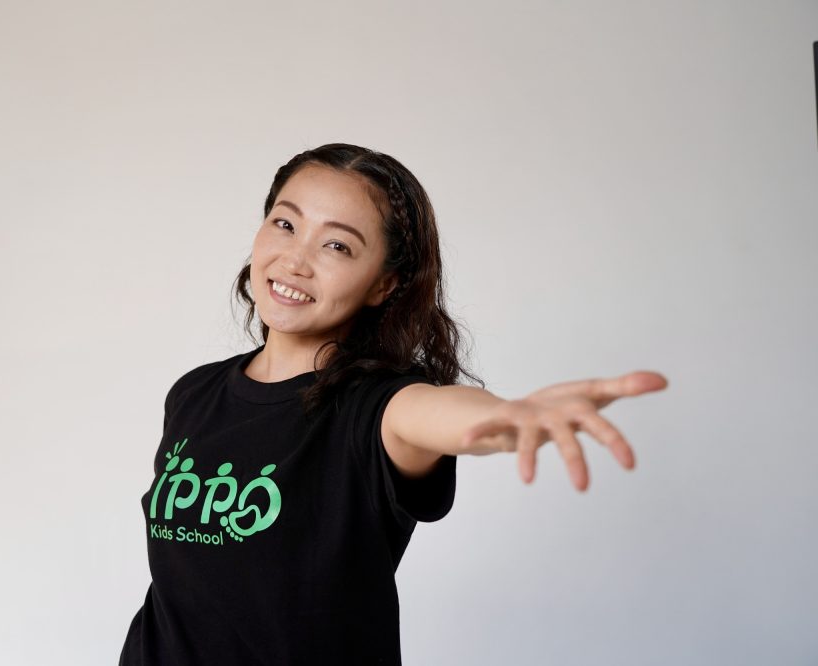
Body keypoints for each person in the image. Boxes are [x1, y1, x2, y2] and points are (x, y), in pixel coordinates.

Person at [118, 143, 668, 665]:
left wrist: (508, 417)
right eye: (286, 224)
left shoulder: (375, 407)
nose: (296, 259)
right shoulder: (193, 394)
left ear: (384, 285)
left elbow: (435, 414)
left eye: (337, 246)